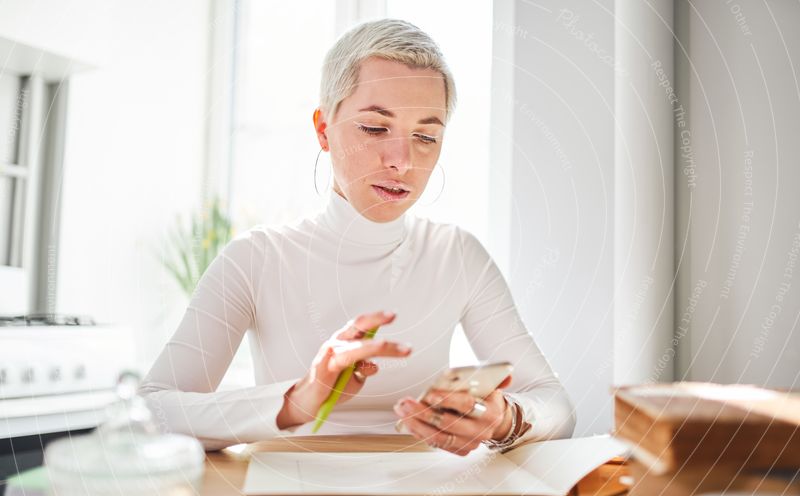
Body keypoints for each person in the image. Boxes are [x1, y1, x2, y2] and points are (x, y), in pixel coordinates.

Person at [139, 18, 576, 455]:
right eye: (374, 128)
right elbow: (152, 410)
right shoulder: (255, 258)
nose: (401, 161)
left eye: (426, 136)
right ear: (323, 129)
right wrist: (298, 400)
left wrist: (506, 420)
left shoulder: (457, 254)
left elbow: (555, 404)